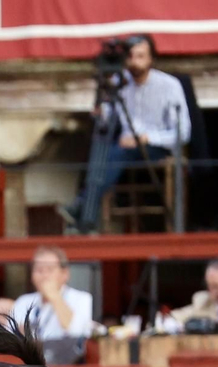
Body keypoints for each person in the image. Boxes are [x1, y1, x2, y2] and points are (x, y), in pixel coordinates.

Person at [60, 37, 189, 234]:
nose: (134, 62)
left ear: (151, 59)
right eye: (130, 57)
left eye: (140, 56)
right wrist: (100, 111)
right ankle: (85, 212)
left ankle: (83, 207)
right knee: (104, 147)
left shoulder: (169, 85)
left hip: (156, 146)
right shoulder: (119, 82)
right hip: (124, 146)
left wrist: (146, 138)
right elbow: (107, 121)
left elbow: (183, 133)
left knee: (117, 152)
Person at [9, 246, 94, 361]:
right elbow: (9, 336)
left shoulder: (82, 298)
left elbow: (77, 332)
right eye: (39, 270)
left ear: (65, 274)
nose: (44, 276)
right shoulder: (23, 301)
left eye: (50, 270)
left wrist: (54, 297)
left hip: (67, 366)